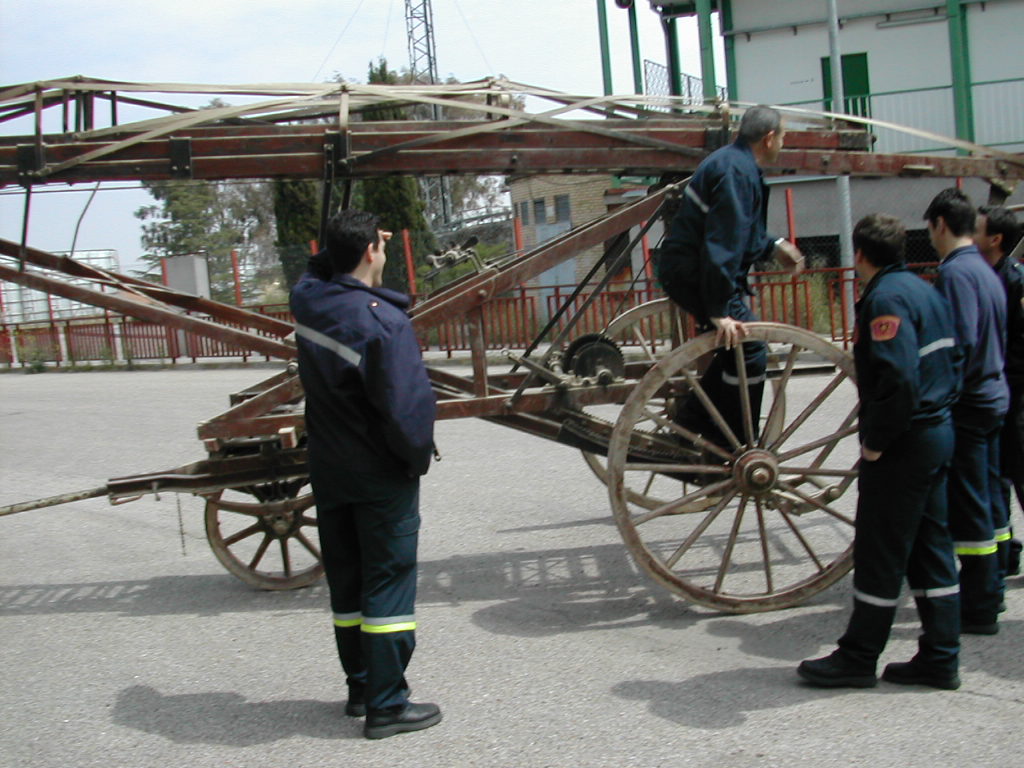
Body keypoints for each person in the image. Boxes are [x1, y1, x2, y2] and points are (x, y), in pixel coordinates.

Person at [290, 209, 442, 739]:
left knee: (349, 583)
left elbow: (314, 271)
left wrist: (341, 246)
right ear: (374, 252)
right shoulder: (384, 322)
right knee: (388, 585)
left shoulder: (309, 300)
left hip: (330, 470)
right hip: (379, 473)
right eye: (377, 244)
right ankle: (387, 706)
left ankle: (359, 689)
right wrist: (416, 459)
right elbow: (407, 412)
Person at [798, 213, 962, 690]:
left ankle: (858, 657)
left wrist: (876, 443)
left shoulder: (885, 299)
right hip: (936, 432)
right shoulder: (925, 290)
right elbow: (954, 357)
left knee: (881, 551)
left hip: (905, 442)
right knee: (931, 549)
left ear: (862, 255)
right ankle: (941, 656)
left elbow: (899, 381)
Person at [656, 104, 803, 449]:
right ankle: (735, 440)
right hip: (695, 273)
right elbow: (723, 244)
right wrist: (720, 309)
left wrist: (774, 246)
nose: (783, 142)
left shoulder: (733, 163)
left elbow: (740, 233)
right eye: (783, 136)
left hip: (691, 268)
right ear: (769, 138)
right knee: (749, 349)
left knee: (733, 351)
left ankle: (696, 424)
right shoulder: (737, 172)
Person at [927, 188, 1009, 635]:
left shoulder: (957, 274)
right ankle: (992, 586)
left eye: (930, 229)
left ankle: (978, 604)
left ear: (941, 225)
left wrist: (939, 396)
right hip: (995, 395)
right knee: (992, 496)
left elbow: (959, 344)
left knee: (971, 503)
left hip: (971, 402)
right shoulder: (984, 269)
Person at [976, 205, 1024, 579]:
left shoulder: (1015, 281)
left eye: (976, 230)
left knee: (1019, 473)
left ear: (995, 239)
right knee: (996, 478)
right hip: (995, 391)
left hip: (1017, 393)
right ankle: (1006, 553)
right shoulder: (980, 276)